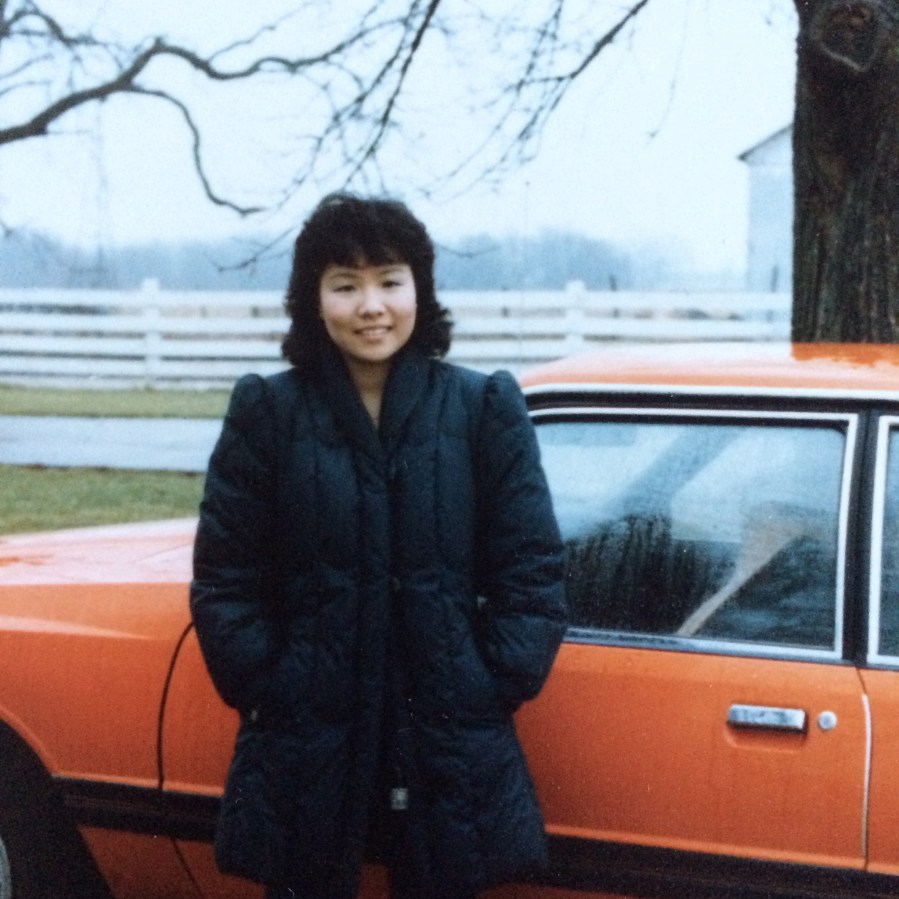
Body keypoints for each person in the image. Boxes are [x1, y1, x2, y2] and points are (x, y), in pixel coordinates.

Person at [190, 193, 568, 899]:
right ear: (314, 300)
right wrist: (271, 687)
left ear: (419, 288)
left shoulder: (482, 407)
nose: (371, 306)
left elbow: (532, 573)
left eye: (390, 281)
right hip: (308, 742)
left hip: (445, 740)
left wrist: (488, 682)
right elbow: (226, 578)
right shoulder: (268, 413)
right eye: (345, 285)